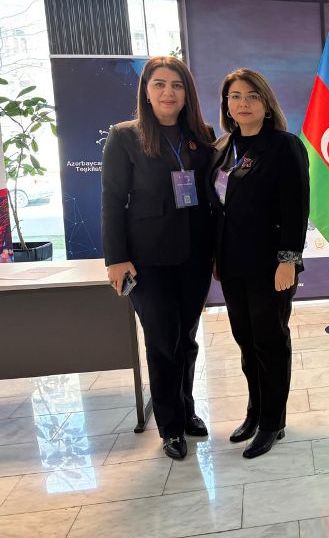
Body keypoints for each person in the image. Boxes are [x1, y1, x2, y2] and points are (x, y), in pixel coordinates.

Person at [101, 56, 215, 460]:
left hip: (194, 257)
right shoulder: (125, 136)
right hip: (147, 261)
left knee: (186, 338)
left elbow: (210, 196)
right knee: (163, 341)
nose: (169, 92)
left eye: (177, 85)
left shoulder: (202, 136)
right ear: (146, 91)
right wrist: (116, 259)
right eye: (160, 84)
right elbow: (112, 200)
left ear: (187, 93)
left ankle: (187, 409)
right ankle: (170, 426)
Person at [208, 68, 309, 459]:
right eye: (235, 96)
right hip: (232, 264)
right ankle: (254, 412)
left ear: (266, 104)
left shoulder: (284, 146)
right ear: (226, 105)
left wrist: (288, 260)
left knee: (270, 342)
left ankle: (272, 422)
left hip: (271, 266)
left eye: (252, 96)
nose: (243, 103)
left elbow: (296, 207)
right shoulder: (222, 147)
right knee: (246, 342)